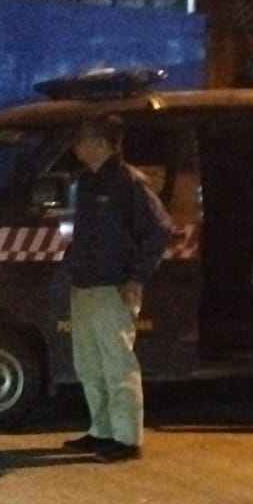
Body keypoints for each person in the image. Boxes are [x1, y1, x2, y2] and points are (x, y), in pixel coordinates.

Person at [60, 114, 172, 463]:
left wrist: (136, 277)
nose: (76, 146)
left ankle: (126, 438)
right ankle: (102, 430)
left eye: (81, 139)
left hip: (113, 287)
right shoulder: (88, 182)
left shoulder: (128, 183)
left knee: (117, 363)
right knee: (89, 363)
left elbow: (160, 230)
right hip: (86, 284)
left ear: (99, 142)